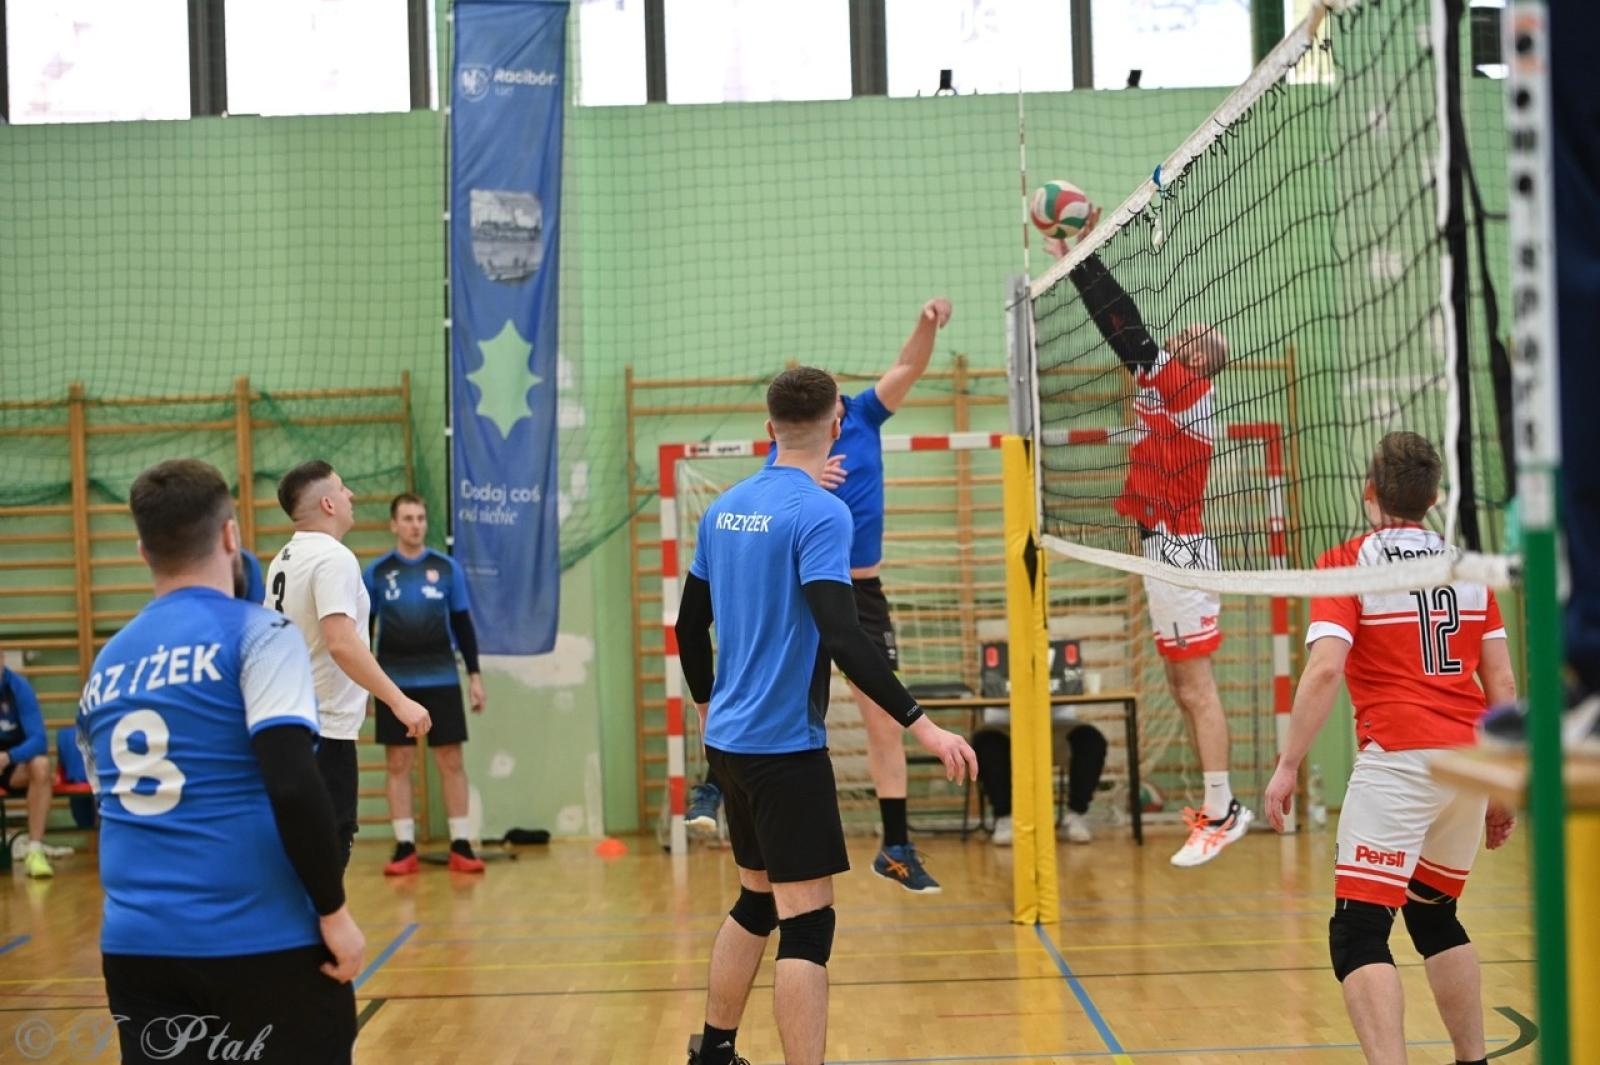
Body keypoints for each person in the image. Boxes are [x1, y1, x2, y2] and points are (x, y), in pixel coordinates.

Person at [675, 367, 977, 1065]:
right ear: (838, 422)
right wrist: (923, 724)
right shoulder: (821, 513)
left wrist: (704, 706)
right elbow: (844, 635)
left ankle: (714, 1051)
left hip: (730, 745)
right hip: (785, 749)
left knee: (756, 900)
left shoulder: (725, 508)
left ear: (767, 423)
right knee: (807, 925)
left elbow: (690, 626)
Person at [77, 458, 362, 1064]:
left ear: (142, 551)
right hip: (256, 937)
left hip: (136, 946)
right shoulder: (258, 634)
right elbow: (291, 781)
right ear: (231, 536)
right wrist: (333, 912)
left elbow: (108, 802)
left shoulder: (108, 663)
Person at [1263, 432, 1517, 1065]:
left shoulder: (1349, 562)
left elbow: (1325, 671)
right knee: (1434, 919)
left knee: (1358, 933)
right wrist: (1500, 784)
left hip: (1400, 759)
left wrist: (1288, 765)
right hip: (1468, 762)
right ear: (1433, 499)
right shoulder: (1467, 567)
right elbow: (1504, 684)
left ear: (1369, 492)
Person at [728, 297, 954, 891]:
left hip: (861, 591)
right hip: (799, 592)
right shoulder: (787, 453)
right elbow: (769, 500)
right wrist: (809, 480)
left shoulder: (864, 416)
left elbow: (908, 366)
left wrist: (925, 322)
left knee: (883, 720)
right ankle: (733, 802)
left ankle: (896, 846)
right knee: (776, 707)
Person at [1047, 216, 1249, 867]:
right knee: (1180, 682)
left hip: (1180, 550)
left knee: (1195, 686)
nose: (1179, 335)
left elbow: (1128, 328)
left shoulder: (1191, 393)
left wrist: (1086, 255)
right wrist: (1077, 264)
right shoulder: (1163, 386)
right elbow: (1118, 329)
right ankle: (1217, 805)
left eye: (1189, 338)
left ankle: (1223, 810)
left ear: (1197, 360)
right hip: (1160, 547)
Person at [267, 460, 431, 867]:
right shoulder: (333, 558)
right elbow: (341, 642)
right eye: (342, 489)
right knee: (327, 852)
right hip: (324, 729)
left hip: (292, 721)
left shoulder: (284, 558)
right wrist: (397, 700)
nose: (350, 495)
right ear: (327, 503)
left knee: (300, 853)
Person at [365, 493, 487, 875]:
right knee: (398, 761)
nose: (415, 524)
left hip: (441, 678)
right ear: (394, 524)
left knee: (450, 759)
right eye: (407, 518)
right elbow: (362, 632)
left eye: (420, 517)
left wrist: (475, 677)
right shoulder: (377, 573)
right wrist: (367, 687)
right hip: (394, 684)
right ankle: (404, 846)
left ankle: (461, 843)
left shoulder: (447, 569)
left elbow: (464, 626)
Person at [971, 716, 1105, 846]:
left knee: (1091, 739)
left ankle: (1077, 814)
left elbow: (1074, 692)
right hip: (1002, 725)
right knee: (985, 741)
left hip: (1059, 725)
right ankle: (1004, 817)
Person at [0, 649, 56, 878]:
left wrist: (9, 757)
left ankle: (34, 851)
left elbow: (39, 740)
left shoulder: (18, 688)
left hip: (14, 765)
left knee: (41, 766)